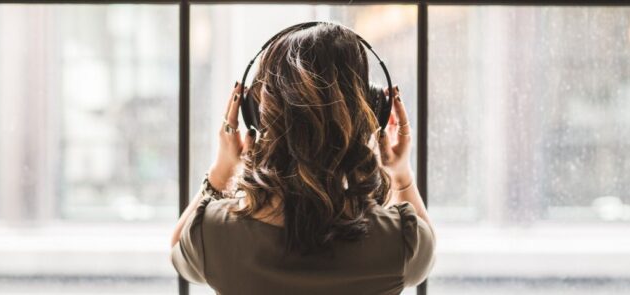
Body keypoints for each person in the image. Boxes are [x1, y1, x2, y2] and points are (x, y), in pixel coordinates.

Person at [170, 22, 435, 295]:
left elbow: (179, 248)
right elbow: (426, 252)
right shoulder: (399, 242)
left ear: (255, 114)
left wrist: (222, 170)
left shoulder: (214, 234)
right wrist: (401, 173)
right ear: (372, 110)